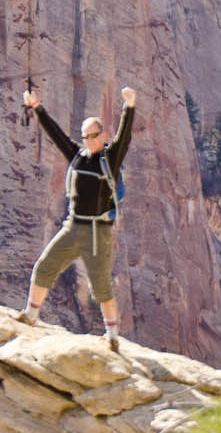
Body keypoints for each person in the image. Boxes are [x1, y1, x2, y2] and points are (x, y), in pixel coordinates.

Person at [17, 86, 136, 350]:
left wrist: (129, 106)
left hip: (98, 231)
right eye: (85, 137)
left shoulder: (110, 158)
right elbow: (55, 134)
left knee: (101, 286)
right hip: (73, 226)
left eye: (93, 136)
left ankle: (113, 337)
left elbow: (124, 137)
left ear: (102, 135)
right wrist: (37, 107)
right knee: (44, 266)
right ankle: (31, 314)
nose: (88, 141)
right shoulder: (78, 156)